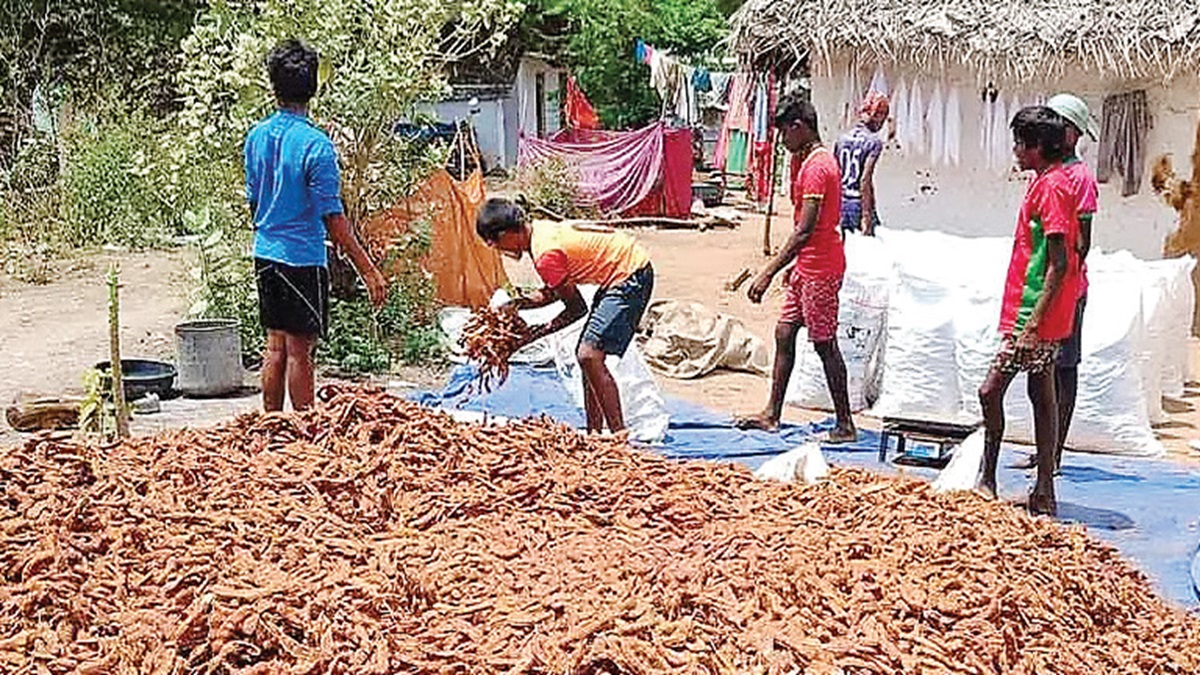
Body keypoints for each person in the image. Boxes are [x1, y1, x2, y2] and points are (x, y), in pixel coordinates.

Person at [244, 40, 387, 412]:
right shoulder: (316, 146)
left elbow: (254, 199)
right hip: (301, 258)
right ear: (314, 87)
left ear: (273, 86)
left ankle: (271, 426)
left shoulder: (256, 137)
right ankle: (305, 432)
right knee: (299, 351)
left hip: (265, 252)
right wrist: (369, 270)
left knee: (274, 345)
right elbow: (334, 219)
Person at [977, 106, 1082, 516]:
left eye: (1021, 143)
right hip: (1039, 311)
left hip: (1034, 314)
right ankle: (1044, 491)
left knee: (990, 391)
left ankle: (988, 478)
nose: (1016, 151)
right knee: (1041, 393)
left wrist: (1033, 324)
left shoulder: (1053, 189)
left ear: (1038, 147)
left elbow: (1059, 261)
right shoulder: (1046, 182)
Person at [735, 95, 857, 442]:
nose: (783, 141)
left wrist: (768, 270)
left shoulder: (818, 167)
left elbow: (805, 231)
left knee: (824, 343)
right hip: (806, 267)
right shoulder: (806, 163)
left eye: (785, 133)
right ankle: (772, 413)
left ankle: (845, 423)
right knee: (785, 333)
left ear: (798, 127)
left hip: (821, 267)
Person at [475, 198, 654, 434]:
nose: (497, 248)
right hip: (620, 270)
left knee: (589, 354)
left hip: (630, 275)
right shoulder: (540, 231)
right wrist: (518, 304)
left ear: (507, 232)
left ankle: (619, 440)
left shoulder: (545, 254)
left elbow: (576, 308)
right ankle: (594, 434)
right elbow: (554, 292)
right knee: (588, 359)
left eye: (495, 242)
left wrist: (528, 337)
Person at [1013, 94, 1100, 474]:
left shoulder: (1077, 178)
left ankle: (1054, 453)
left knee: (1062, 369)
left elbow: (1079, 242)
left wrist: (1057, 268)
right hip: (1048, 286)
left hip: (1066, 288)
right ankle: (1046, 452)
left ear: (1069, 132)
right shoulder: (1047, 175)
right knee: (1044, 373)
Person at [833, 91, 889, 235]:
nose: (883, 121)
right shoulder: (873, 142)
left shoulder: (842, 139)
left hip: (841, 202)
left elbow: (834, 175)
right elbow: (865, 179)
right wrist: (866, 214)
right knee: (870, 250)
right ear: (877, 115)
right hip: (858, 202)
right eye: (883, 115)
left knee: (843, 249)